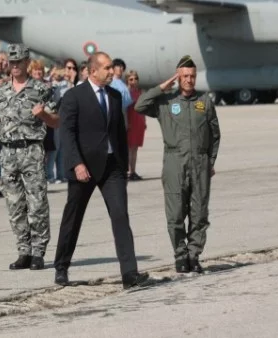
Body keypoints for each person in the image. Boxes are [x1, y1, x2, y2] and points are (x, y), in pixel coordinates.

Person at [53, 51, 149, 289]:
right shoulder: (74, 96)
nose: (111, 71)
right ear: (93, 70)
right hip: (83, 168)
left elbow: (118, 133)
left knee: (120, 215)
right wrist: (77, 164)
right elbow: (67, 133)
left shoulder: (115, 96)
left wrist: (124, 162)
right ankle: (61, 266)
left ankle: (130, 274)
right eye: (106, 68)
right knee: (73, 218)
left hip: (111, 168)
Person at [0, 44, 59, 270]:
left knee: (37, 203)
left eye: (19, 62)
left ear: (27, 63)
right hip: (8, 152)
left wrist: (44, 114)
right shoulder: (1, 91)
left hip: (32, 150)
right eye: (12, 62)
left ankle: (38, 251)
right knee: (14, 204)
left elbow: (58, 121)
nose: (15, 66)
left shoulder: (41, 89)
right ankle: (23, 251)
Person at [134, 55, 221, 273]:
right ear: (177, 77)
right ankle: (180, 255)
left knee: (200, 214)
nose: (189, 80)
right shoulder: (166, 102)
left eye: (192, 76)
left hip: (200, 163)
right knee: (175, 215)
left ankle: (194, 255)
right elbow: (139, 105)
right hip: (174, 162)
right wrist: (162, 87)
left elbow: (215, 134)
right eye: (184, 76)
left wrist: (210, 161)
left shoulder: (205, 101)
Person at [125, 70, 146, 180]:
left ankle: (133, 171)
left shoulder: (140, 92)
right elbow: (124, 109)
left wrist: (144, 122)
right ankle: (129, 171)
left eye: (135, 79)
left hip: (139, 122)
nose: (134, 81)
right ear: (127, 80)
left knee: (135, 149)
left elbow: (143, 108)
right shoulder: (126, 92)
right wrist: (126, 122)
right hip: (131, 122)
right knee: (130, 148)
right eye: (131, 79)